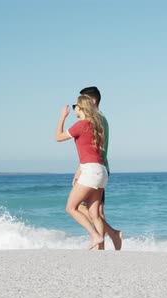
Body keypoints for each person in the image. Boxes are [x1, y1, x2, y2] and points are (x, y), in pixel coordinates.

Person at [55, 95, 108, 249]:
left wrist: (62, 117)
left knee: (71, 208)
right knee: (95, 214)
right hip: (101, 171)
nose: (74, 109)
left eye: (75, 106)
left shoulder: (81, 124)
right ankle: (101, 249)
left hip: (91, 171)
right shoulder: (96, 125)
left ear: (81, 108)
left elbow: (58, 137)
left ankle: (95, 236)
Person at [74, 86, 122, 250]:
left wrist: (80, 170)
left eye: (82, 101)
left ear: (92, 101)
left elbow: (93, 149)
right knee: (97, 211)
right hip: (101, 167)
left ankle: (110, 235)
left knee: (82, 207)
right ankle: (102, 245)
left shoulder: (95, 120)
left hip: (95, 168)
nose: (79, 106)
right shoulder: (102, 119)